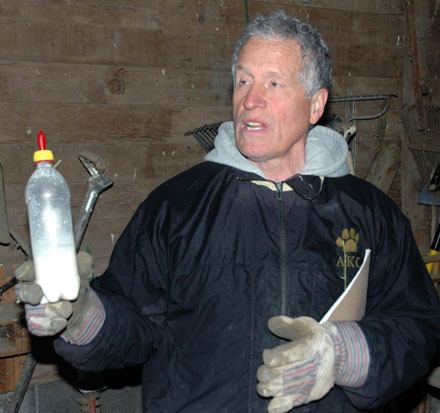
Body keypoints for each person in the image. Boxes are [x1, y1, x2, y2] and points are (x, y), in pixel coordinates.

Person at [16, 10, 440, 413]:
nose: (251, 99)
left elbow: (418, 328)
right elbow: (135, 325)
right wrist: (84, 315)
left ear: (315, 105)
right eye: (243, 81)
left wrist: (343, 352)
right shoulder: (176, 206)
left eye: (274, 84)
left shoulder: (368, 213)